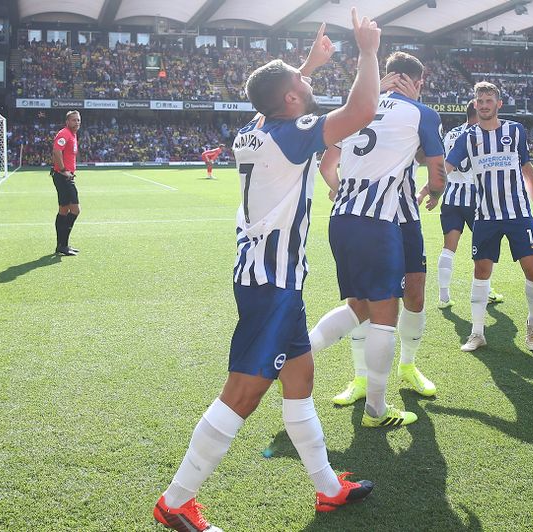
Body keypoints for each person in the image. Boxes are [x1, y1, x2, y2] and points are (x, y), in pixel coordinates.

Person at [153, 14, 382, 530]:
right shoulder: (293, 134)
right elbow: (362, 109)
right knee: (243, 393)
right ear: (294, 103)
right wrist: (367, 50)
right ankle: (175, 502)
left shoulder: (253, 130)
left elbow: (274, 100)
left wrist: (307, 64)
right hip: (272, 283)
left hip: (268, 277)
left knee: (300, 377)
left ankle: (327, 489)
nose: (308, 86)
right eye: (304, 84)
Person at [308, 51, 446, 427]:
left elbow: (326, 167)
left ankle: (407, 368)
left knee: (397, 295)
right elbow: (436, 173)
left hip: (390, 217)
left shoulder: (357, 107)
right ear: (419, 81)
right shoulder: (420, 112)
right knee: (378, 304)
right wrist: (436, 192)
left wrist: (344, 191)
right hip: (382, 218)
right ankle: (365, 384)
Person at [446, 81, 533, 352]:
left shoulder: (515, 131)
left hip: (518, 213)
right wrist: (427, 189)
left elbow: (526, 166)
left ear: (498, 104)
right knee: (481, 271)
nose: (483, 104)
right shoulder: (468, 137)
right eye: (479, 100)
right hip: (486, 215)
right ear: (475, 104)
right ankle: (477, 332)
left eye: (488, 100)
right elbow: (447, 165)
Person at [434, 100, 503, 309]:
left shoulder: (451, 134)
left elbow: (443, 164)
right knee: (484, 247)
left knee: (448, 248)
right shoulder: (481, 134)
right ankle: (487, 291)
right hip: (476, 198)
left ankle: (443, 297)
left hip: (451, 196)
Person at [51, 110, 81, 256]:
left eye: (78, 120)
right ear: (67, 121)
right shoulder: (64, 133)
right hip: (64, 178)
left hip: (64, 177)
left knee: (63, 211)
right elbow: (57, 151)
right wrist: (63, 170)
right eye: (74, 120)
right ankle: (63, 244)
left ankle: (62, 245)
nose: (77, 123)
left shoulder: (73, 135)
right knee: (75, 210)